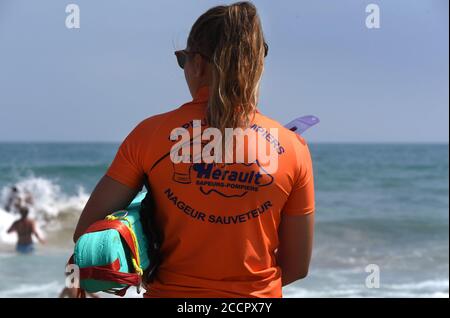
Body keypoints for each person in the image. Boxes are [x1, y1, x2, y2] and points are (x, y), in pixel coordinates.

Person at [74, 1, 315, 298]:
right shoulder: (292, 147)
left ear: (197, 63)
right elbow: (296, 266)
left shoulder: (149, 134)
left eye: (182, 59)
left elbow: (87, 236)